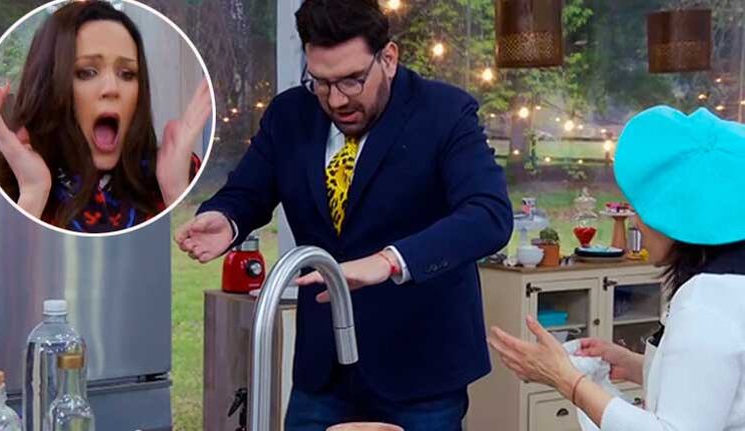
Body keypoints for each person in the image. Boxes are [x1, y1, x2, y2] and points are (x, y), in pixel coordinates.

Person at [175, 0, 512, 429]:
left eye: (353, 80)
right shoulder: (289, 115)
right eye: (321, 82)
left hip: (420, 372)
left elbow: (488, 215)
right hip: (322, 373)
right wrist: (227, 219)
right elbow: (247, 192)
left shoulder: (444, 113)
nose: (336, 99)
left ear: (388, 59)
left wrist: (389, 261)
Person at [489, 105, 745, 430]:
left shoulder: (705, 307)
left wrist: (566, 379)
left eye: (642, 210)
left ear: (678, 217)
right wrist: (632, 365)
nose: (636, 222)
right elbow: (717, 389)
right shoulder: (730, 287)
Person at [0, 0, 211, 233]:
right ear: (48, 85)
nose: (112, 88)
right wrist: (33, 194)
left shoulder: (177, 169)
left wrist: (176, 192)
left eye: (127, 74)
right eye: (87, 72)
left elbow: (195, 247)